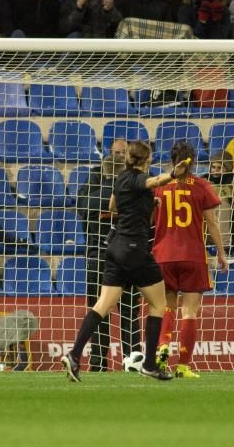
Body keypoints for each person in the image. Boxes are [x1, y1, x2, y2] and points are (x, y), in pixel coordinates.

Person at [62, 141, 184, 382]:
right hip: (135, 248)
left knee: (102, 305)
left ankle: (75, 354)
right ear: (146, 159)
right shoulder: (139, 178)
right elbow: (152, 182)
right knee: (158, 305)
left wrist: (146, 204)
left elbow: (113, 206)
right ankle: (149, 364)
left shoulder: (120, 179)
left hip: (115, 247)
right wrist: (171, 175)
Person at [152, 141, 227, 379]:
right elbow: (212, 222)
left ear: (172, 161)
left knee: (166, 307)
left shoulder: (160, 186)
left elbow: (150, 218)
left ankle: (162, 348)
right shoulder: (203, 186)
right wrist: (221, 253)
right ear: (192, 161)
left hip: (163, 254)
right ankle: (183, 365)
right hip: (193, 256)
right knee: (190, 312)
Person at [74, 138, 142, 372]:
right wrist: (117, 194)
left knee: (130, 312)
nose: (119, 157)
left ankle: (132, 361)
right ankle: (97, 364)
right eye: (115, 152)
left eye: (123, 153)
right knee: (98, 310)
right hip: (97, 254)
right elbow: (84, 205)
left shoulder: (138, 179)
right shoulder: (95, 175)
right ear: (107, 153)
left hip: (128, 253)